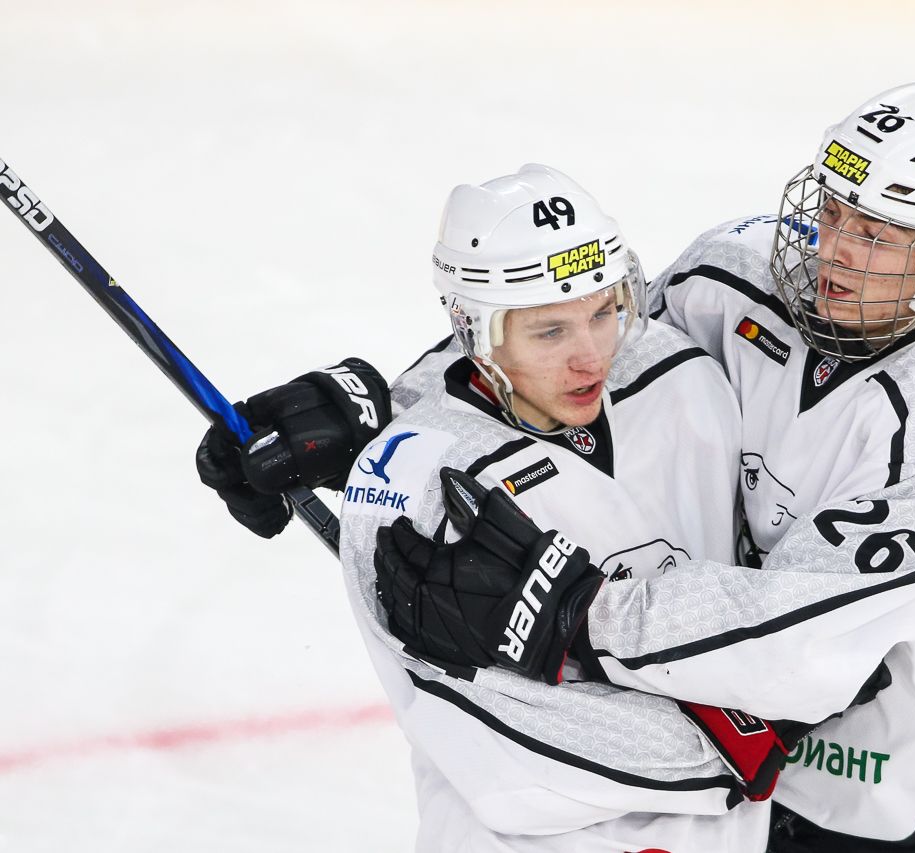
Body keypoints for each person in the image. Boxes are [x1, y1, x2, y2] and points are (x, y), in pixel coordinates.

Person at [378, 83, 915, 852]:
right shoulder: (734, 275)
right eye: (834, 210)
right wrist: (391, 411)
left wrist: (574, 612)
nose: (834, 248)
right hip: (743, 777)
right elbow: (577, 344)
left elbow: (793, 632)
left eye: (877, 234)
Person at [197, 164, 783, 852]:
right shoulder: (420, 480)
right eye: (549, 332)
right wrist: (742, 728)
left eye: (603, 312)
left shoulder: (687, 380)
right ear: (472, 327)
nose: (591, 356)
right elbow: (498, 764)